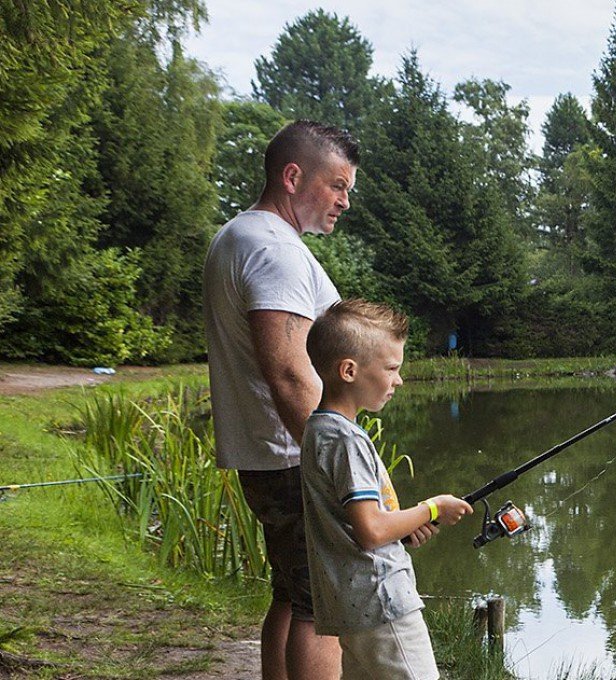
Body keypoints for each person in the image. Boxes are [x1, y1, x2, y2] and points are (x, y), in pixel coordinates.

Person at [203, 120, 358, 679]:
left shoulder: (240, 236)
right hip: (294, 458)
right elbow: (291, 375)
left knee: (292, 595)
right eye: (337, 186)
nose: (344, 201)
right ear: (293, 176)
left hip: (270, 456)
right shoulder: (275, 251)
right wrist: (339, 462)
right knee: (324, 610)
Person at [301, 299, 472, 678]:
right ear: (349, 370)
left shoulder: (318, 431)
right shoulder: (347, 440)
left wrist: (404, 527)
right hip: (381, 602)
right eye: (392, 368)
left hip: (350, 605)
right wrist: (431, 508)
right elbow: (371, 530)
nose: (398, 380)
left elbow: (362, 523)